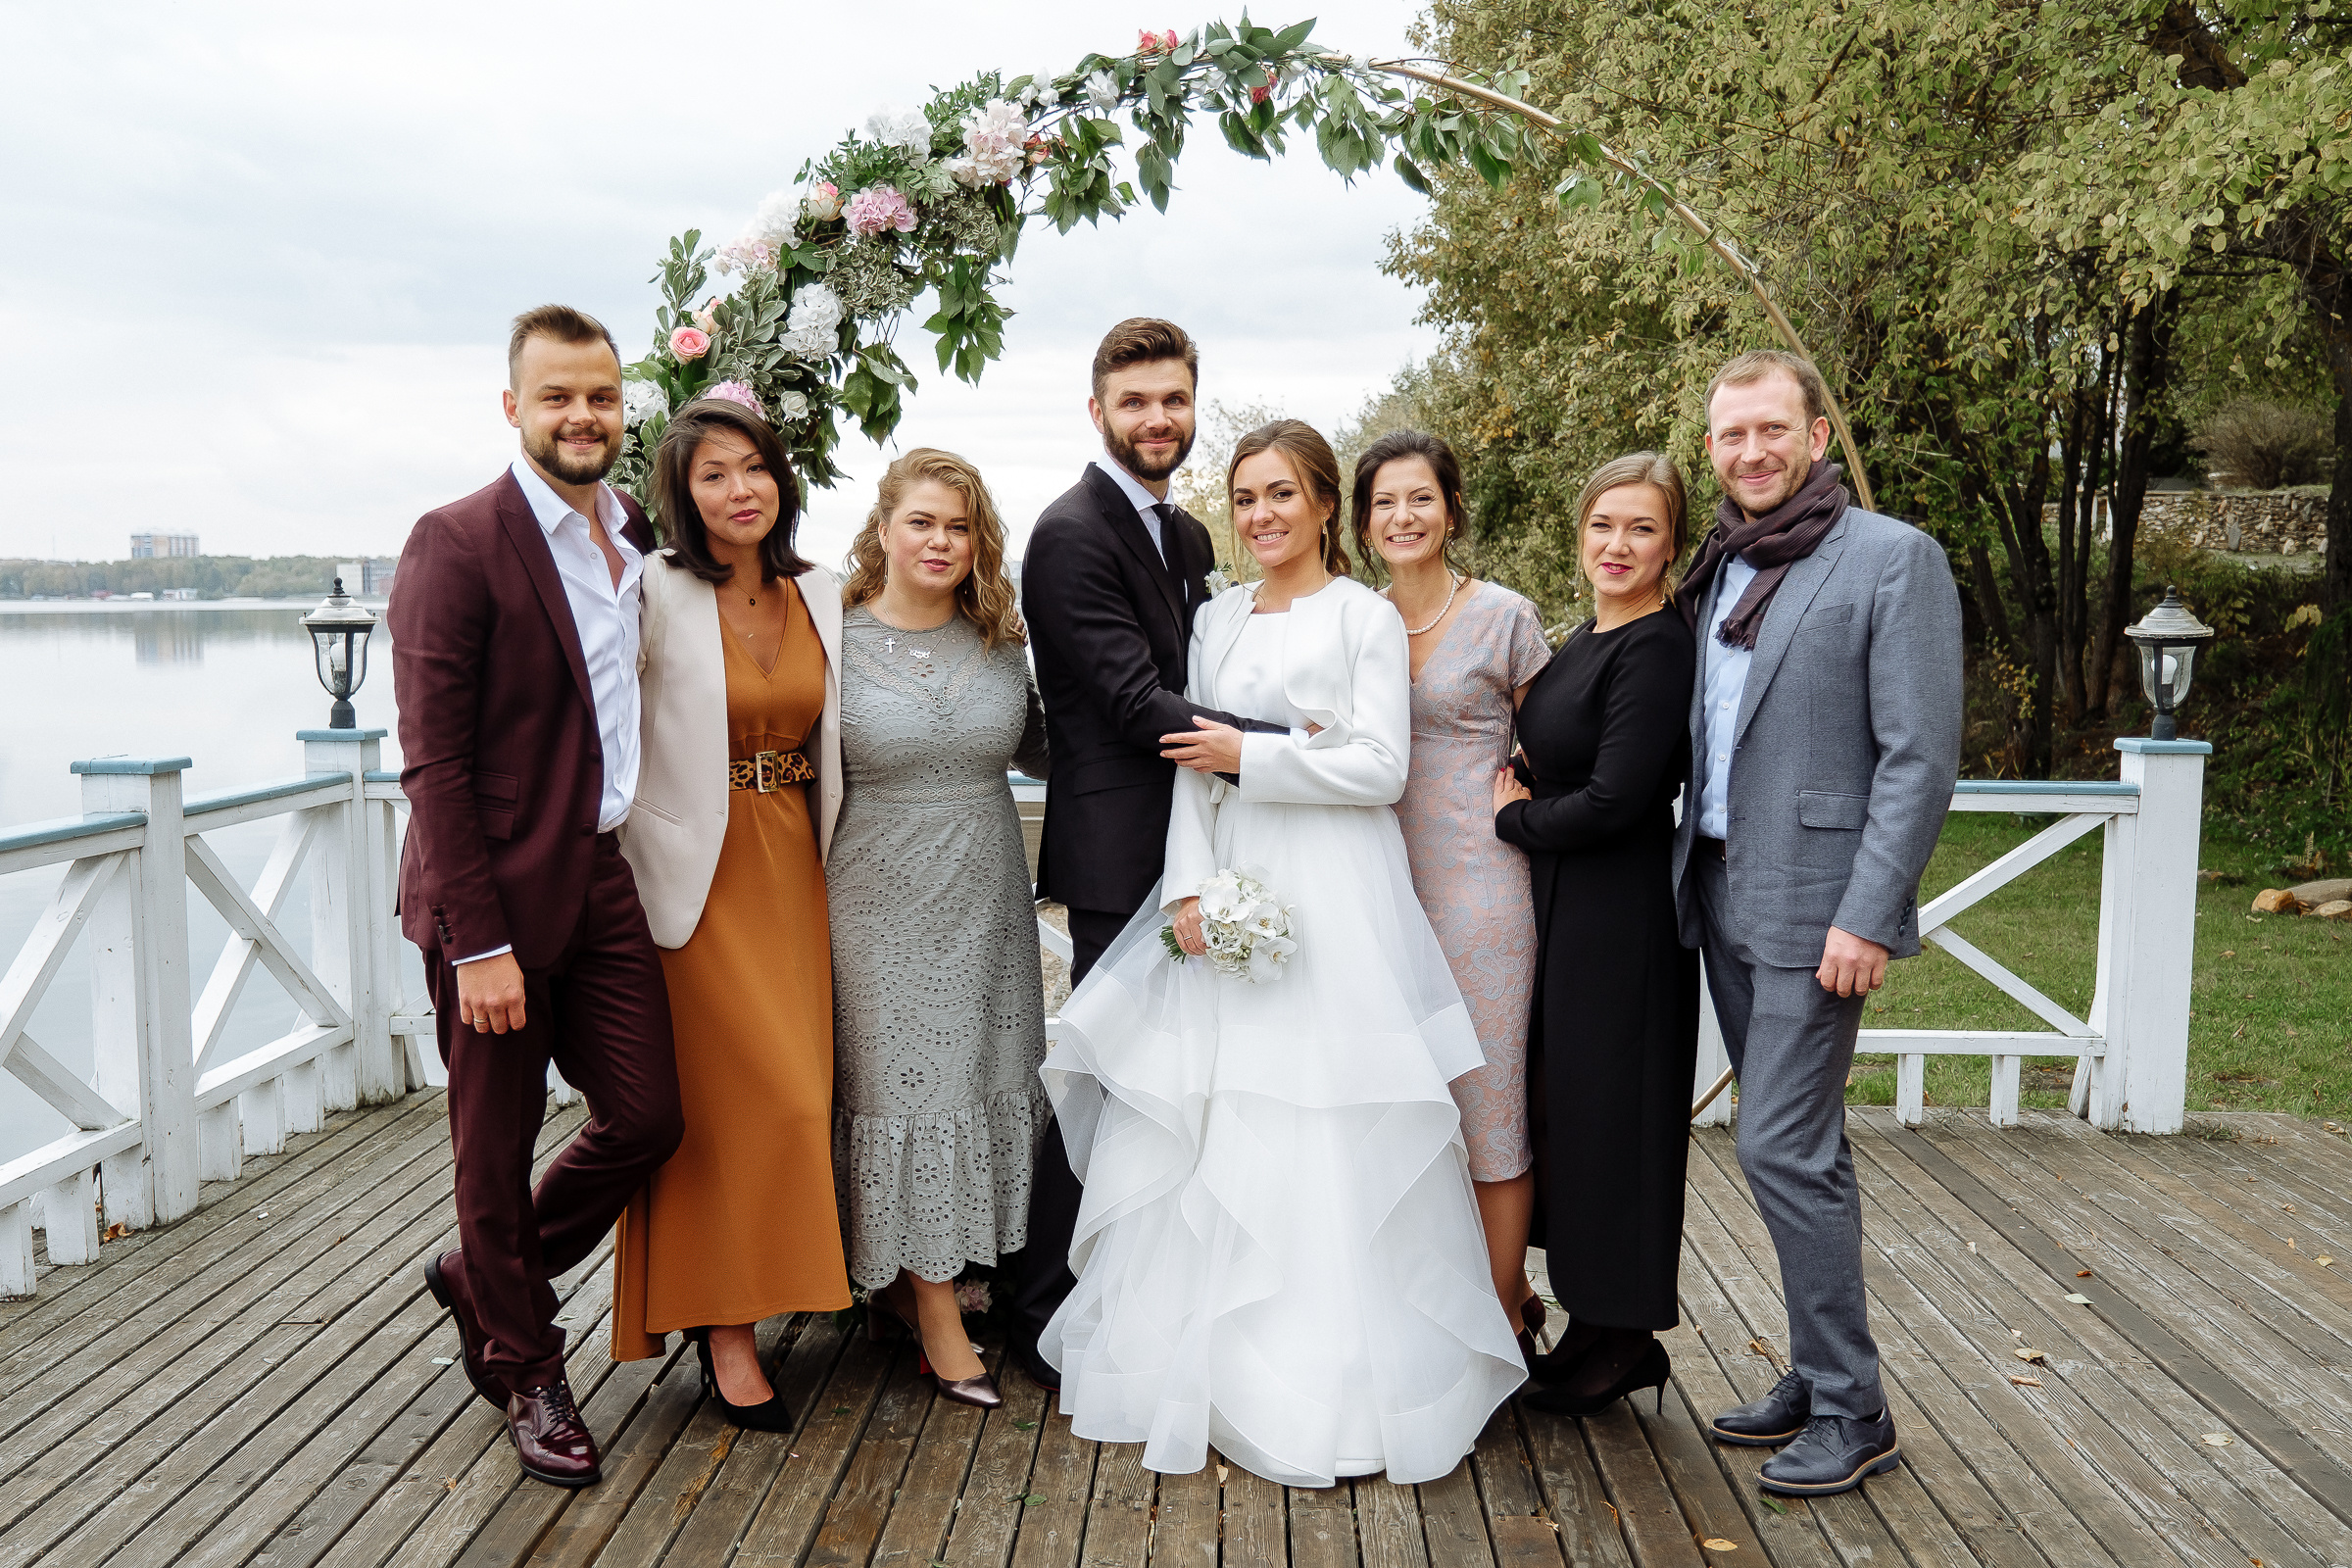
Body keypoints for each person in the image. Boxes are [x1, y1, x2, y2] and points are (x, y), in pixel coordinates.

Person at [1040, 419, 1524, 1487]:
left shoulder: (1363, 618)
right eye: (1246, 497)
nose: (1261, 515)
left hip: (1337, 891)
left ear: (1320, 509)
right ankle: (1210, 1369)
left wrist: (1251, 752)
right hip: (1235, 880)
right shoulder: (1212, 619)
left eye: (1283, 496)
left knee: (1327, 1109)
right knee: (1227, 1109)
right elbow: (1188, 773)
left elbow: (1380, 767)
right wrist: (1189, 896)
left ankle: (1341, 1376)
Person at [392, 305, 684, 1489]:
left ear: (624, 408)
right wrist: (477, 944)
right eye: (558, 396)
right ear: (513, 406)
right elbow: (432, 764)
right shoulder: (456, 542)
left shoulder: (634, 536)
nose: (583, 416)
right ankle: (526, 1365)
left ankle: (482, 1274)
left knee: (650, 1115)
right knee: (492, 1150)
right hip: (496, 901)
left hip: (601, 871)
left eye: (602, 397)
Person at [1675, 350, 1960, 1496]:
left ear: (1817, 436)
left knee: (1778, 1144)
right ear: (1712, 449)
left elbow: (1920, 758)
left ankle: (1854, 1406)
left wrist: (1870, 915)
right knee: (1806, 1148)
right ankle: (1814, 1366)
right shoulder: (1721, 565)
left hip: (1819, 910)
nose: (1752, 452)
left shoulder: (1894, 559)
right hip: (1718, 886)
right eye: (1732, 435)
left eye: (1772, 431)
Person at [1014, 318, 1286, 1388]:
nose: (1156, 419)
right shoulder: (1071, 534)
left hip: (1199, 843)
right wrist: (1300, 754)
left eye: (1173, 400)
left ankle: (1140, 1288)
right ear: (1098, 412)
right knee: (1107, 1076)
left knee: (1178, 1080)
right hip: (1119, 850)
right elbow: (1135, 702)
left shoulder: (1187, 540)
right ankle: (1044, 1308)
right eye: (1135, 402)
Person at [610, 396, 852, 1427]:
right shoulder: (652, 590)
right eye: (715, 474)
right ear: (684, 492)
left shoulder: (827, 593)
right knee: (725, 1109)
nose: (740, 490)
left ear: (781, 478)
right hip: (692, 876)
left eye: (754, 468)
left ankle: (776, 1292)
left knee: (800, 1096)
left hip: (797, 862)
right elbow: (595, 717)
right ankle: (725, 1332)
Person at [827, 448, 1052, 1411]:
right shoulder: (830, 641)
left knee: (984, 1080)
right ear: (883, 528)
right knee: (903, 1092)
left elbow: (1059, 743)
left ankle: (945, 1279)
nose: (941, 541)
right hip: (875, 896)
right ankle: (932, 1311)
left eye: (960, 527)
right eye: (922, 521)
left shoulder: (1003, 637)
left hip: (989, 890)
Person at [1492, 454, 1701, 1417]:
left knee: (1614, 1120)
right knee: (1572, 1115)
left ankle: (1623, 1338)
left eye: (1642, 529)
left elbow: (1621, 797)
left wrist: (1516, 819)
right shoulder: (1585, 634)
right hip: (1565, 905)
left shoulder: (1657, 645)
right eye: (1603, 526)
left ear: (1673, 544)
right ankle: (1594, 1327)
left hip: (1618, 915)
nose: (1618, 545)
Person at [1358, 430, 1552, 1353]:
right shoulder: (1350, 621)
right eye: (1385, 502)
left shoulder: (1505, 616)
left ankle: (1501, 1317)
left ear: (1450, 509)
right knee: (1400, 1103)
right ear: (1361, 521)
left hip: (1483, 890)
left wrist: (1530, 791)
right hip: (1374, 890)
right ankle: (1418, 1317)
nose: (1403, 517)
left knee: (1488, 1106)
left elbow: (1564, 734)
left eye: (1420, 499)